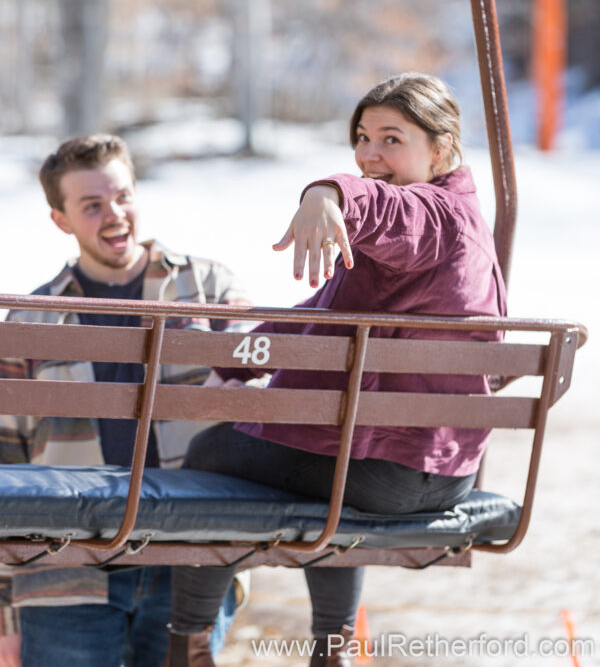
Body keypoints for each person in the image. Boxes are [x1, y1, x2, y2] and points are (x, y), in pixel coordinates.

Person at [165, 72, 508, 667]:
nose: (370, 153)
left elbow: (390, 208)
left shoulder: (434, 217)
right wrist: (242, 359)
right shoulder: (447, 230)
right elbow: (321, 313)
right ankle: (333, 649)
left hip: (394, 468)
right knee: (324, 469)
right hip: (430, 464)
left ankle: (187, 646)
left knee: (212, 453)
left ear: (443, 148)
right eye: (362, 136)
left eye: (392, 138)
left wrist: (329, 192)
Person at [0, 134, 252, 667]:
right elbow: (6, 465)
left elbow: (264, 399)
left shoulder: (209, 287)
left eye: (123, 196)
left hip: (189, 557)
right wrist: (4, 614)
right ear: (61, 220)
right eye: (92, 205)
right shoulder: (30, 320)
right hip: (63, 572)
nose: (115, 214)